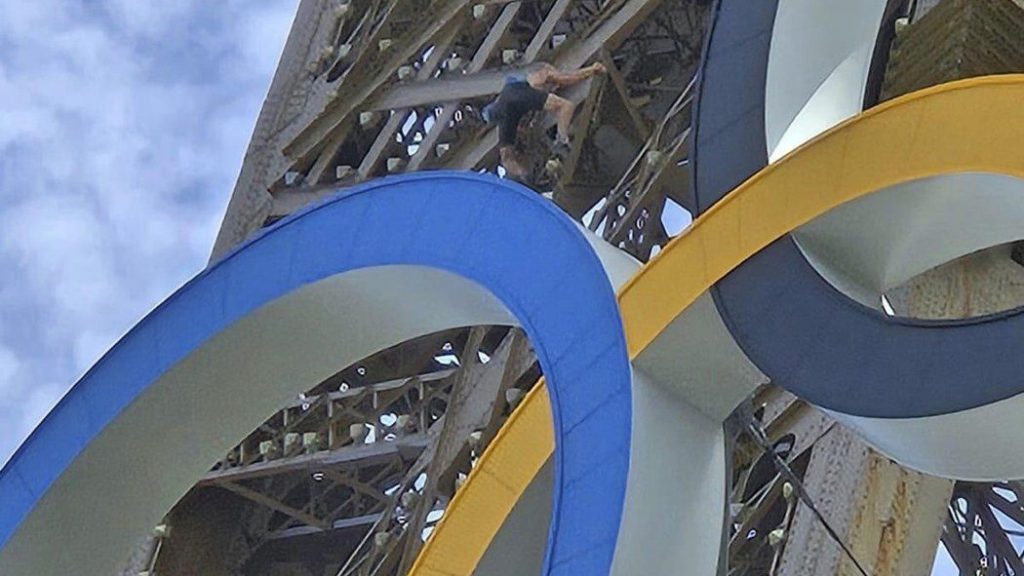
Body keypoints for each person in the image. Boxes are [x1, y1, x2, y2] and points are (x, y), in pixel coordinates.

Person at [481, 62, 606, 183]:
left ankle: (522, 176)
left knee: (507, 155)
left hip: (506, 108)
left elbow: (506, 158)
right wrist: (592, 69)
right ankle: (561, 141)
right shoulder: (542, 70)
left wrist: (523, 174)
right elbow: (567, 78)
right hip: (520, 95)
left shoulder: (508, 96)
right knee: (566, 106)